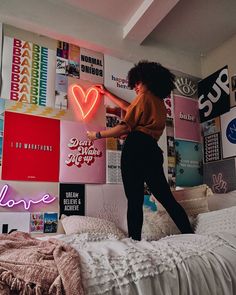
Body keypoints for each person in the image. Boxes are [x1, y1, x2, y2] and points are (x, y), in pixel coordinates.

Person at [87, 60, 193, 241]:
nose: (135, 87)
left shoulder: (143, 98)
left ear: (147, 80)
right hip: (152, 150)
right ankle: (190, 234)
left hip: (136, 147)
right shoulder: (159, 103)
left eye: (137, 82)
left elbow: (124, 128)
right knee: (166, 198)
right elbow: (129, 108)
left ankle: (134, 241)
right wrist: (107, 93)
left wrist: (96, 135)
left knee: (134, 199)